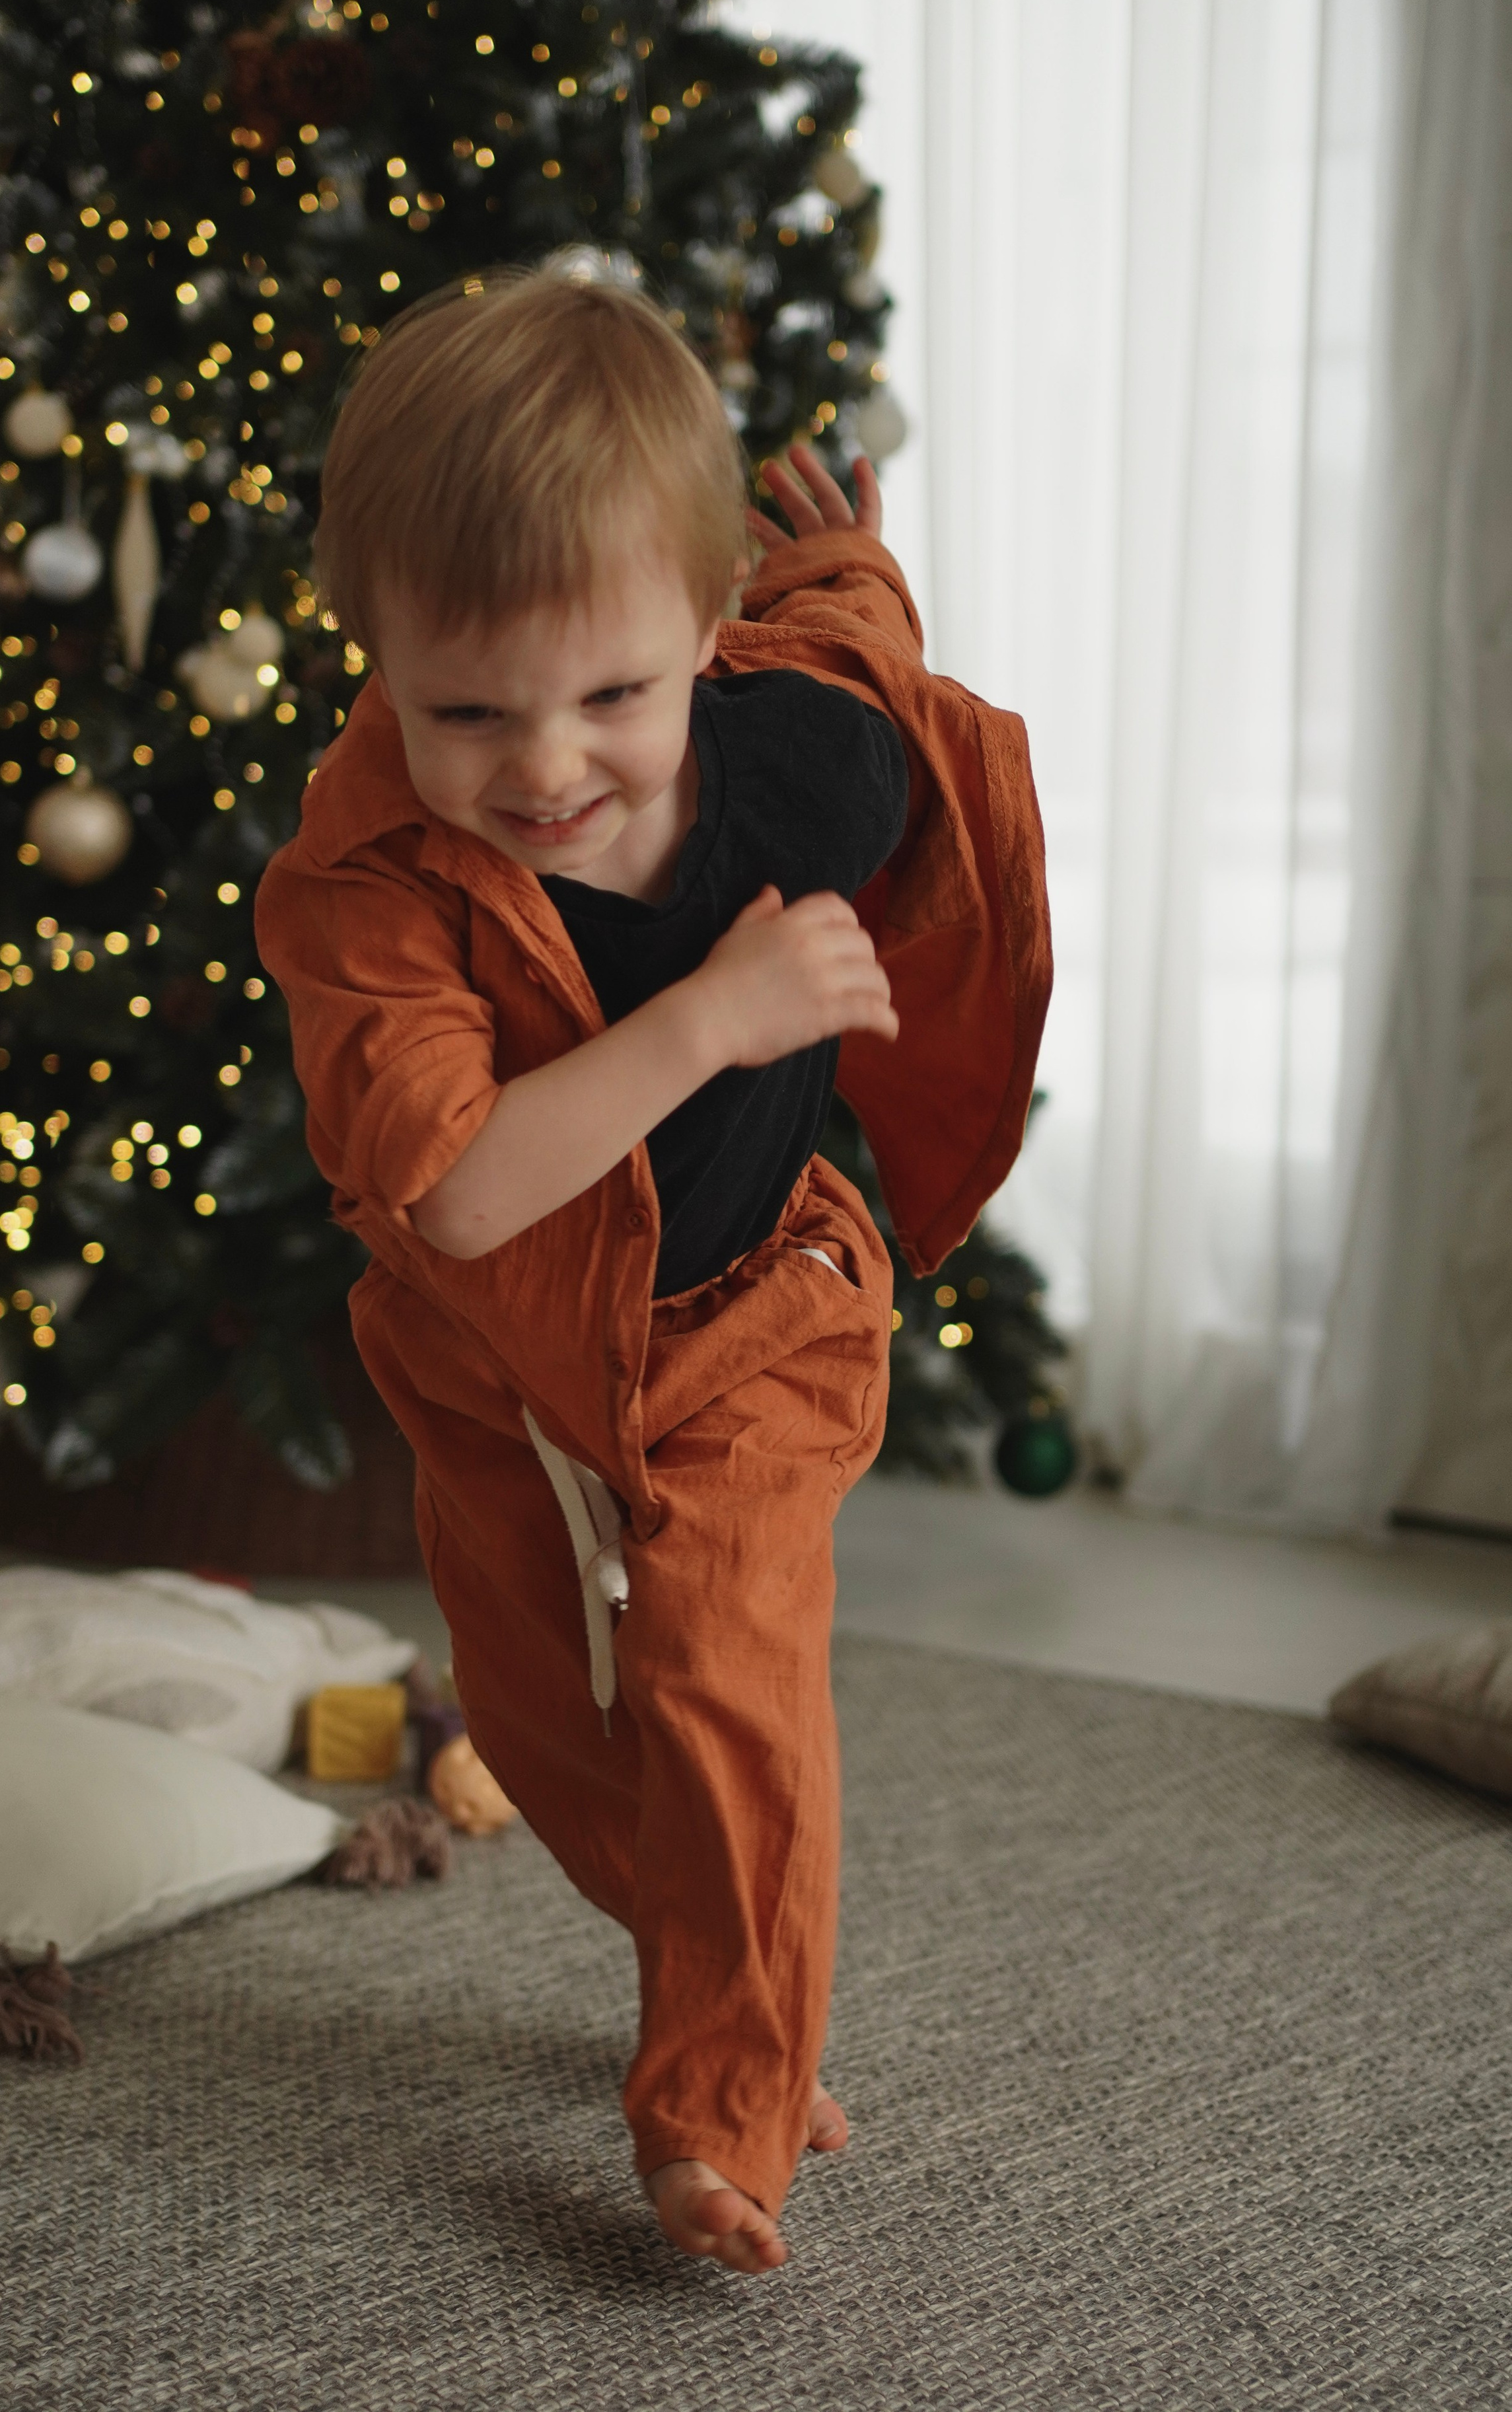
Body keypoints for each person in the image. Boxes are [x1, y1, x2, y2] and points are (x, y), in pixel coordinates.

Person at [256, 270, 1050, 2276]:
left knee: (727, 1682)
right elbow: (455, 1195)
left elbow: (853, 645)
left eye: (614, 697)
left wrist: (853, 555)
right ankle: (722, 1958)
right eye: (467, 712)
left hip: (757, 1316)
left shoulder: (801, 761)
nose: (545, 768)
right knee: (550, 1724)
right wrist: (715, 1014)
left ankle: (719, 2102)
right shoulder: (361, 890)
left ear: (704, 641)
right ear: (381, 668)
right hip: (498, 1358)